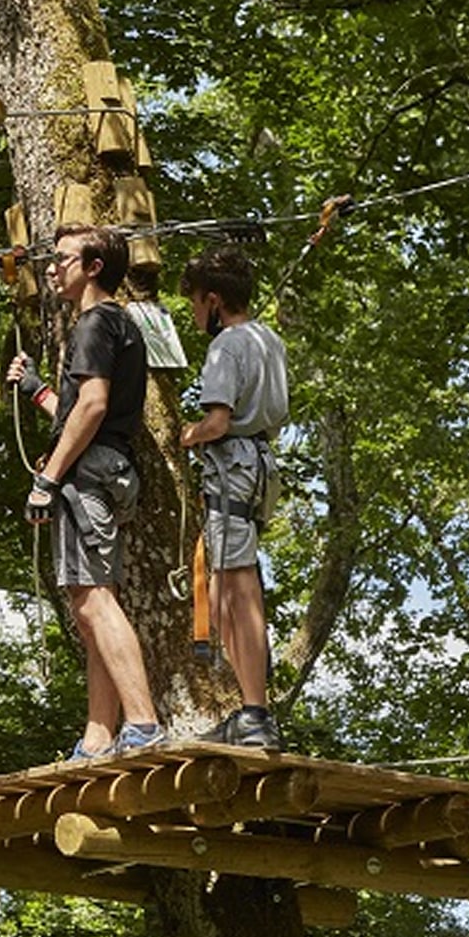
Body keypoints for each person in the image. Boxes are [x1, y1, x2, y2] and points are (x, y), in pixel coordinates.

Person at [7, 224, 165, 759]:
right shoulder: (120, 326)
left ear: (93, 267)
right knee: (96, 601)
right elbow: (84, 410)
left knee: (92, 600)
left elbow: (93, 407)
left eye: (63, 258)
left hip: (88, 476)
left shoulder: (94, 322)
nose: (51, 267)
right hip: (111, 469)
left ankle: (142, 724)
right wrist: (37, 392)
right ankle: (100, 735)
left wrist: (48, 479)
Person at [179, 244, 289, 750]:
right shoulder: (269, 339)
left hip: (233, 468)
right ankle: (251, 710)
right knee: (231, 589)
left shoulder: (225, 346)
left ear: (216, 301)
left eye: (198, 304)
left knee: (236, 591)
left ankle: (254, 713)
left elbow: (219, 420)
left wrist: (188, 434)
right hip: (261, 465)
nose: (196, 315)